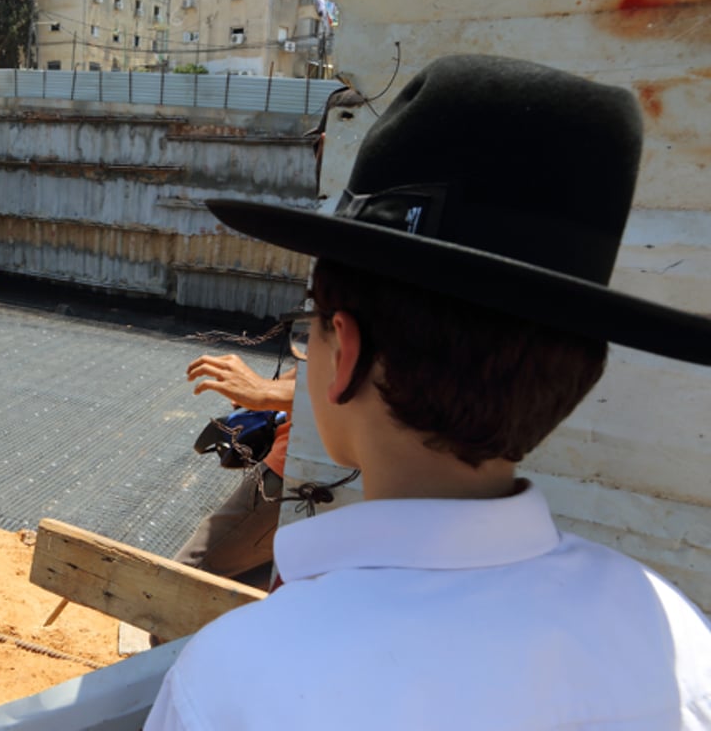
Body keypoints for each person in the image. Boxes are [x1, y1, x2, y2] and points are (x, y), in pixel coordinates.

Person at [145, 54, 711, 729]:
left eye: (309, 329)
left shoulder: (234, 679)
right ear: (579, 378)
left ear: (344, 354)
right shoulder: (681, 641)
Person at [174, 354, 295, 589]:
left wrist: (268, 392)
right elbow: (323, 363)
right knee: (265, 584)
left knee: (184, 578)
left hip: (304, 472)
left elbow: (372, 386)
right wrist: (271, 388)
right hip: (323, 472)